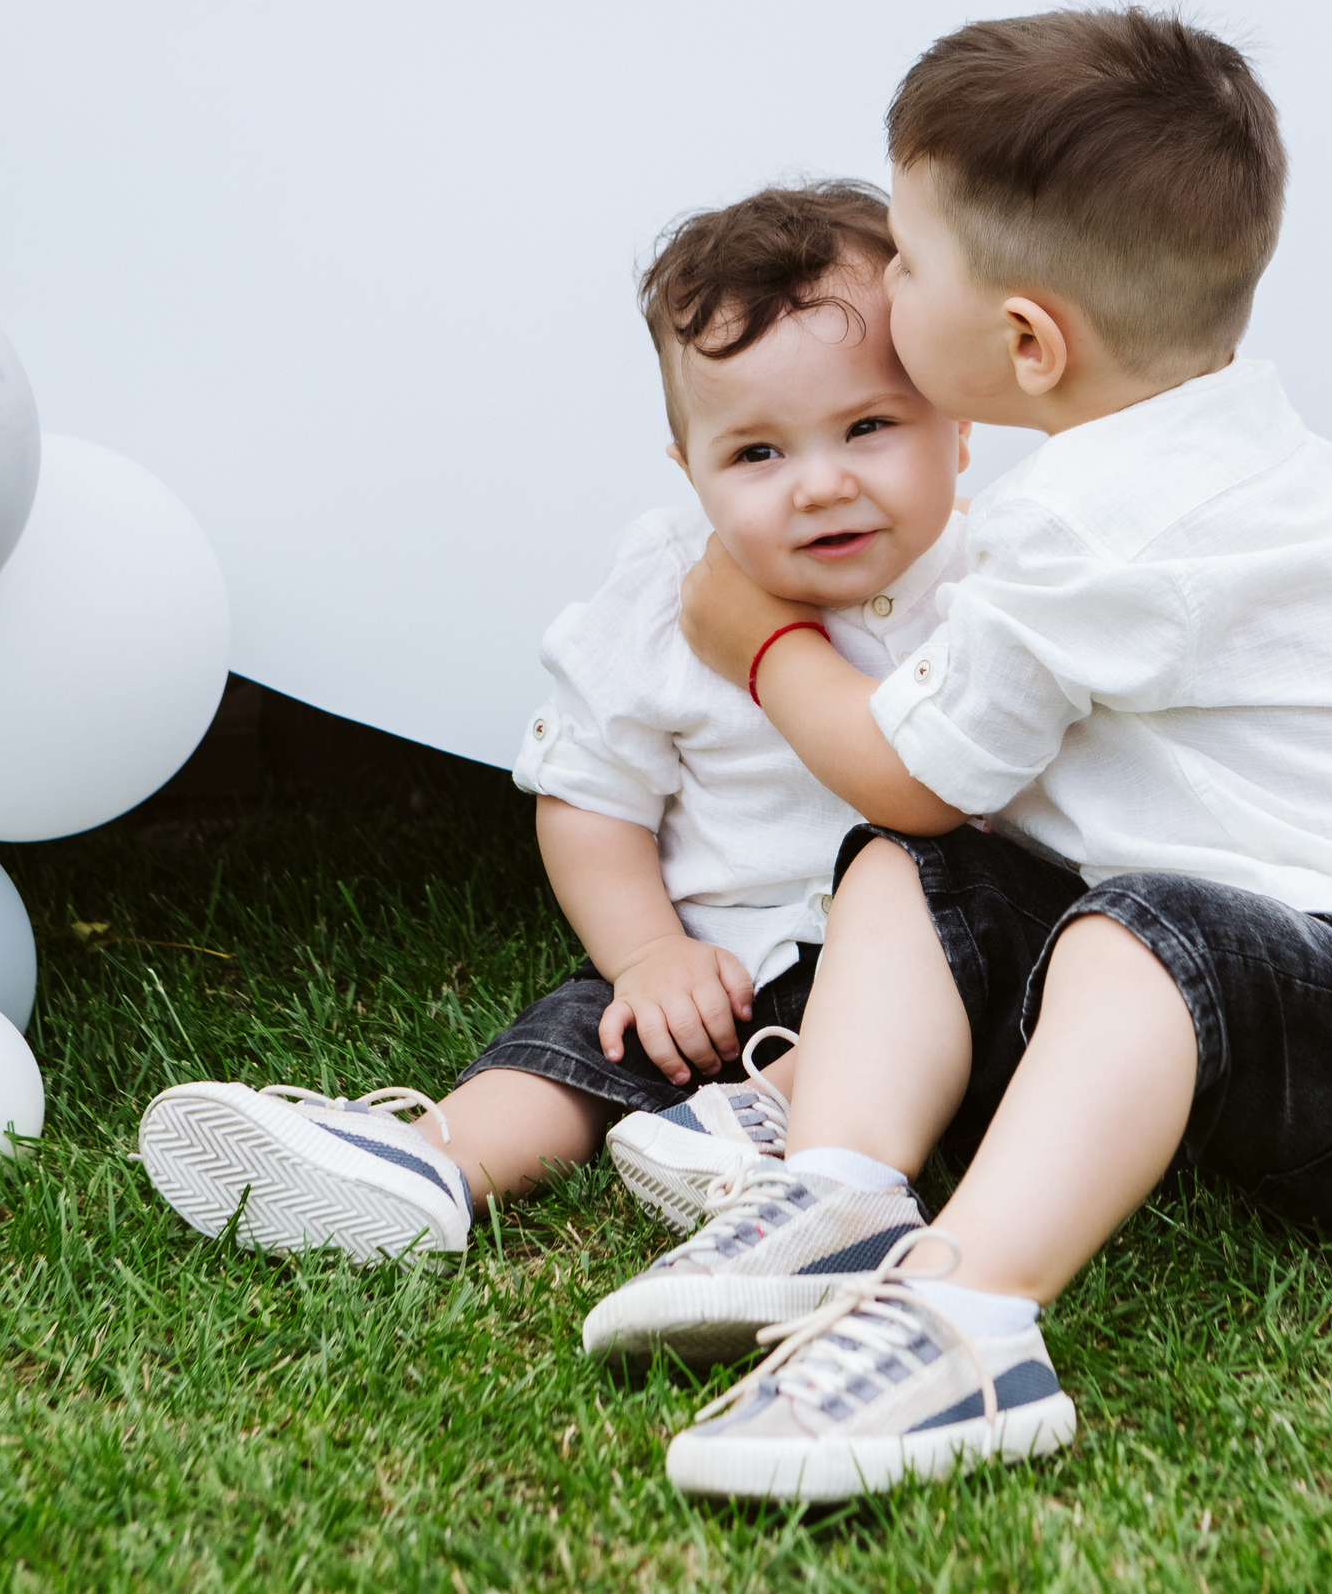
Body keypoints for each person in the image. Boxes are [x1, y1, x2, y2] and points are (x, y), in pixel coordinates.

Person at [580, 7, 1332, 1502]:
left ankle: (966, 1314)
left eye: (906, 257)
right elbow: (928, 823)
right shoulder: (1194, 447)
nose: (886, 282)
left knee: (1121, 920)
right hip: (1262, 988)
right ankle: (834, 1184)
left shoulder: (1099, 530)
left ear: (1025, 338)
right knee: (923, 868)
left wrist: (758, 645)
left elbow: (905, 763)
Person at [135, 181, 975, 1266]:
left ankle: (769, 1150)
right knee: (584, 1037)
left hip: (919, 969)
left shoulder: (994, 586)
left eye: (868, 427)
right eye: (756, 454)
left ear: (958, 428)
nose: (819, 485)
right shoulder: (663, 591)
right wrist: (647, 953)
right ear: (693, 472)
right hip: (716, 964)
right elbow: (591, 794)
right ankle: (431, 1161)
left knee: (952, 1007)